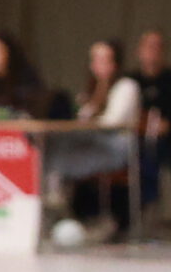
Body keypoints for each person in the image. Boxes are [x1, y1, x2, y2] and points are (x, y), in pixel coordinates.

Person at [56, 38, 144, 235]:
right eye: (95, 59)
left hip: (117, 146)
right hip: (94, 142)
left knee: (66, 153)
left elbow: (112, 122)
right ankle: (58, 203)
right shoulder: (92, 90)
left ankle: (68, 206)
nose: (99, 65)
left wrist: (88, 120)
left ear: (115, 62)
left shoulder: (126, 86)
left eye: (105, 59)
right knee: (57, 145)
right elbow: (81, 118)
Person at [129, 30, 171, 215]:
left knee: (147, 154)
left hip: (163, 143)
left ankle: (146, 206)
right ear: (139, 50)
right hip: (132, 138)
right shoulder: (131, 81)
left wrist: (153, 125)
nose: (153, 51)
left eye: (157, 47)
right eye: (149, 46)